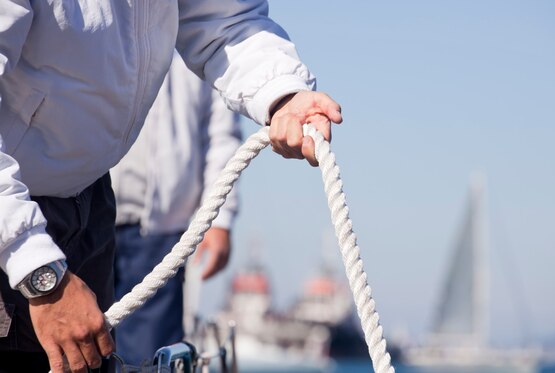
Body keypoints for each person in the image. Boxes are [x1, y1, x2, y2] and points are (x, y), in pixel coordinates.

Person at [0, 1, 342, 372]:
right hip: (14, 207)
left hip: (94, 202)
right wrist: (40, 274)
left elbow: (226, 18)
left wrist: (283, 93)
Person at [110, 53, 242, 366]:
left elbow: (222, 134)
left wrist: (220, 219)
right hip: (75, 218)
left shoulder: (201, 23)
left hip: (162, 232)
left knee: (150, 360)